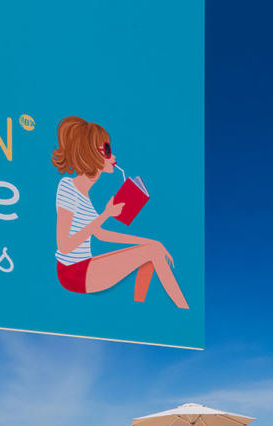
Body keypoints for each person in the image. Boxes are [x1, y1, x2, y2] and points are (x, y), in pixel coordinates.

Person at [52, 115, 188, 307]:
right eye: (107, 150)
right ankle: (183, 310)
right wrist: (105, 215)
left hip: (83, 267)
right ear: (90, 153)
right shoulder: (67, 187)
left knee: (152, 251)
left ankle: (139, 309)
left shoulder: (87, 197)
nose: (113, 156)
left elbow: (101, 235)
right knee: (154, 252)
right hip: (72, 273)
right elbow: (64, 246)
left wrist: (150, 241)